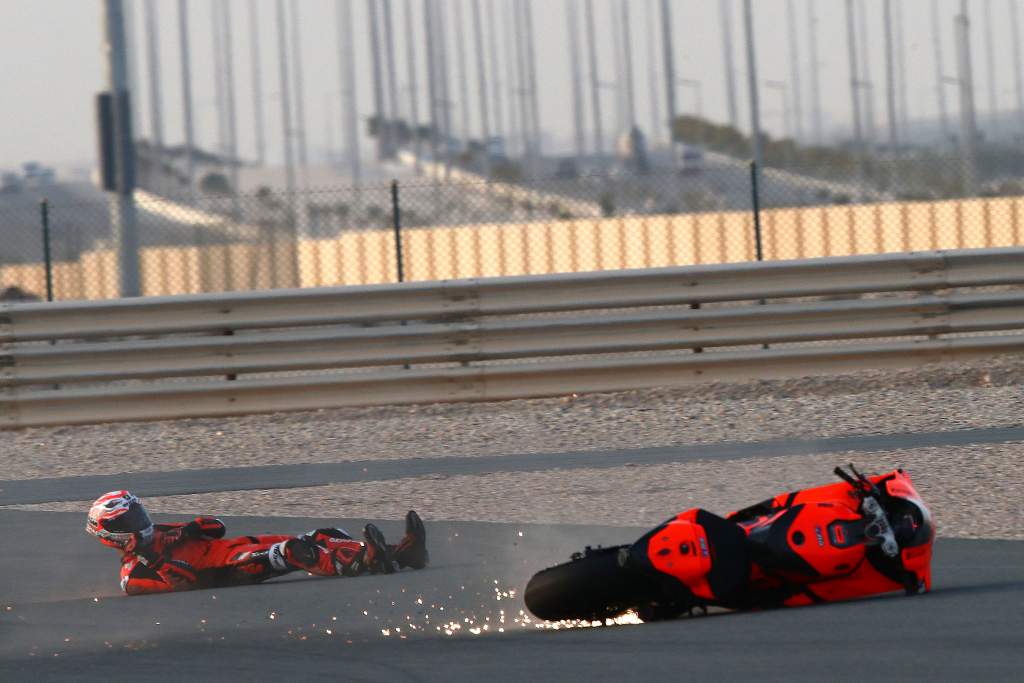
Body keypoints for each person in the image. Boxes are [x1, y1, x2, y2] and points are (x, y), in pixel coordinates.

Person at [85, 490, 429, 596]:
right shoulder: (132, 576)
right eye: (129, 522)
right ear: (111, 534)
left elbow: (217, 527)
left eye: (138, 514)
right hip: (230, 569)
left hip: (237, 545)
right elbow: (187, 582)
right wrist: (155, 556)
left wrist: (188, 529)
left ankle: (399, 554)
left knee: (327, 534)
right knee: (295, 552)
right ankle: (359, 564)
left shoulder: (160, 529)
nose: (140, 523)